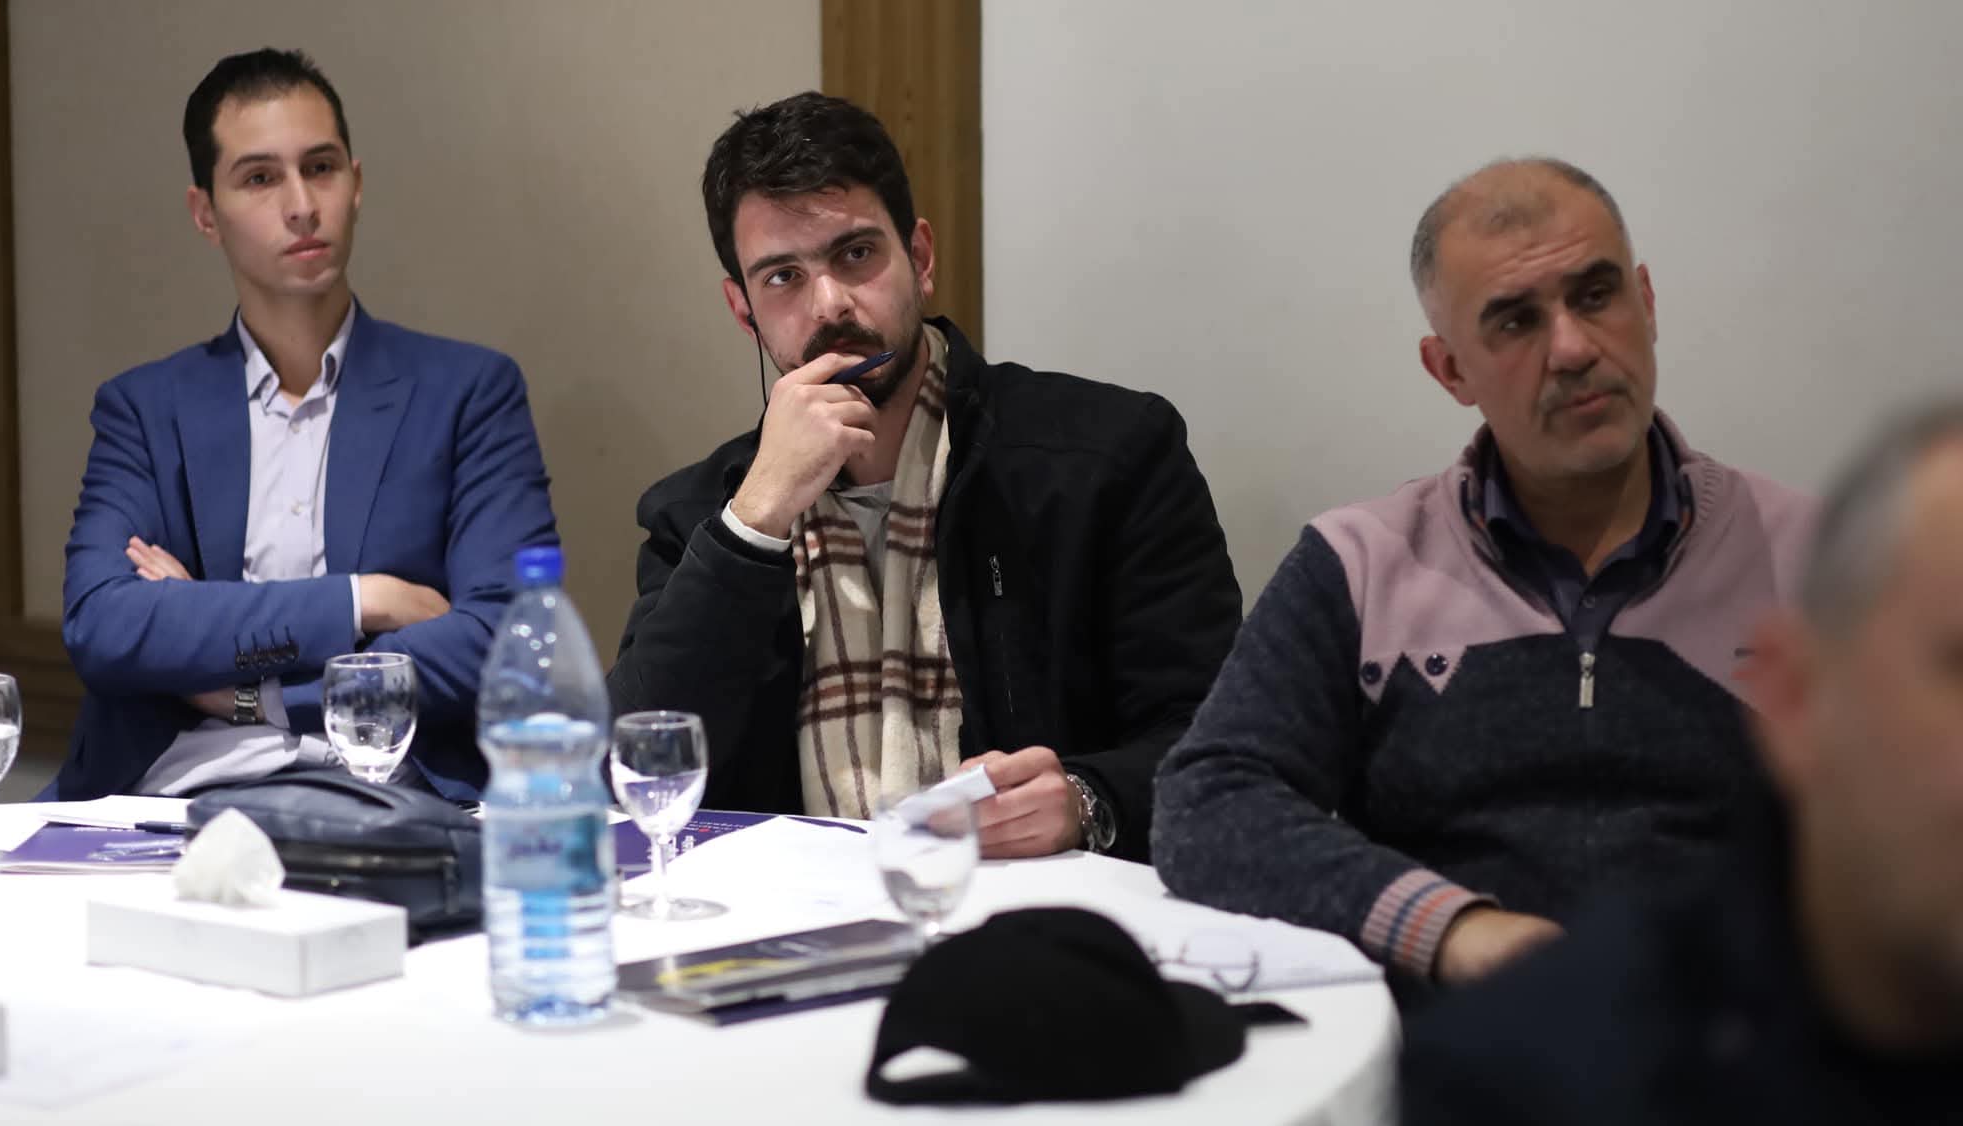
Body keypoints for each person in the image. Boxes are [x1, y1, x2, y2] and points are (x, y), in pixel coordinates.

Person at [1153, 158, 1813, 985]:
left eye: (1596, 295)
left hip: (1735, 1033)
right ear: (1450, 370)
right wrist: (1454, 930)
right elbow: (1206, 802)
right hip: (1458, 1032)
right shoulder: (1362, 565)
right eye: (1515, 321)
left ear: (1646, 303)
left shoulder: (1816, 561)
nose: (1572, 348)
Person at [608, 92, 1240, 860]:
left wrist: (1087, 798)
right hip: (798, 912)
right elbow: (637, 772)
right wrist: (757, 520)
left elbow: (1219, 739)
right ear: (744, 312)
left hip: (1034, 904)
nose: (830, 305)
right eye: (783, 278)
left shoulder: (1109, 456)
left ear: (922, 258)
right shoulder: (702, 514)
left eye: (855, 255)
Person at [1400, 401, 1963, 1125]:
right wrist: (1447, 924)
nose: (1571, 351)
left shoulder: (1785, 536)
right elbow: (1245, 789)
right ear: (1796, 697)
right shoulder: (1515, 1079)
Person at [50, 48, 557, 801]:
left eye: (320, 168)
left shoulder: (468, 393)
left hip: (391, 792)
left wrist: (252, 694)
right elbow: (105, 624)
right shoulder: (146, 410)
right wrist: (363, 600)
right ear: (205, 213)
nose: (301, 205)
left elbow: (507, 642)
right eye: (260, 178)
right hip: (171, 796)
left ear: (357, 184)